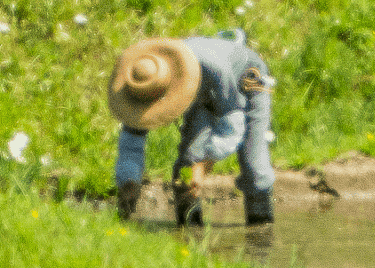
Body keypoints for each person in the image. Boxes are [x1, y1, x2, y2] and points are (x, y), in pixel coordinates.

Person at [108, 30, 276, 228]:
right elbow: (131, 141)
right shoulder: (141, 81)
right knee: (188, 163)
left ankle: (261, 227)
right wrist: (128, 181)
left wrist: (203, 166)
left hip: (244, 80)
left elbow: (231, 128)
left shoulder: (215, 70)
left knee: (254, 163)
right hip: (201, 89)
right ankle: (190, 229)